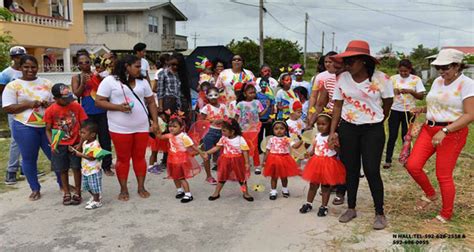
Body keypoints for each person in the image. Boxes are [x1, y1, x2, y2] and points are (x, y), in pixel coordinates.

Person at [329, 40, 394, 230]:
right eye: (345, 61)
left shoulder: (382, 79)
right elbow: (338, 106)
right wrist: (333, 132)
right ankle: (351, 207)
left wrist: (380, 118)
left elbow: (388, 102)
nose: (347, 65)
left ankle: (379, 213)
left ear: (364, 61)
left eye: (351, 61)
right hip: (348, 128)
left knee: (372, 170)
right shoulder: (342, 78)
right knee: (351, 169)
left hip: (372, 129)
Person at [406, 48, 474, 224]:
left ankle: (446, 214)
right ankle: (430, 194)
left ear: (457, 65)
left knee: (443, 175)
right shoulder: (438, 81)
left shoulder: (467, 84)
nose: (442, 72)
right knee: (412, 165)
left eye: (446, 68)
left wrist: (445, 131)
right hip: (429, 130)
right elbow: (440, 104)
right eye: (439, 68)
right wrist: (423, 109)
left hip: (452, 132)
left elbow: (469, 114)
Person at [95, 55, 159, 201]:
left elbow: (151, 102)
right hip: (119, 128)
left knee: (140, 158)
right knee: (123, 159)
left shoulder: (142, 82)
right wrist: (118, 107)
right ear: (126, 66)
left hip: (142, 127)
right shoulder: (109, 81)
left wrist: (154, 122)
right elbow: (99, 102)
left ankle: (141, 187)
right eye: (137, 66)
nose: (140, 69)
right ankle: (123, 189)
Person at [2, 55, 61, 200]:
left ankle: (63, 183)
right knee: (29, 159)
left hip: (47, 126)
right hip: (24, 127)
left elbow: (58, 102)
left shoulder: (47, 83)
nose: (30, 70)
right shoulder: (13, 85)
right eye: (26, 67)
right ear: (21, 68)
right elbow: (8, 108)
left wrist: (51, 105)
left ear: (38, 67)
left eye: (33, 67)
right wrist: (28, 104)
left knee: (57, 156)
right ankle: (35, 188)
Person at [71, 51, 114, 176]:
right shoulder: (76, 77)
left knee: (105, 139)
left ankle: (106, 165)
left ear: (91, 63)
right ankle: (90, 164)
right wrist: (83, 83)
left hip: (102, 112)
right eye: (81, 63)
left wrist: (99, 76)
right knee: (88, 140)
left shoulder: (99, 75)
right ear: (78, 65)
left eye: (87, 62)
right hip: (87, 113)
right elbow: (76, 94)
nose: (84, 65)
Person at [44, 84, 88, 205]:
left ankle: (78, 192)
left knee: (76, 168)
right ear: (55, 98)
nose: (68, 101)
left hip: (75, 143)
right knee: (62, 169)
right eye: (64, 99)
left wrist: (81, 142)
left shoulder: (76, 106)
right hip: (59, 144)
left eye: (69, 97)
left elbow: (84, 126)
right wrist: (53, 144)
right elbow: (47, 129)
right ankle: (66, 192)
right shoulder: (50, 110)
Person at [300, 113, 346, 216]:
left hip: (328, 164)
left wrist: (334, 146)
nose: (320, 126)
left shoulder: (333, 136)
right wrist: (309, 154)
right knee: (313, 185)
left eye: (323, 124)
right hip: (316, 163)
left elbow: (339, 151)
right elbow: (315, 148)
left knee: (325, 187)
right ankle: (309, 203)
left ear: (330, 125)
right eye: (318, 124)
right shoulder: (317, 136)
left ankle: (324, 206)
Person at [383, 59, 426, 169]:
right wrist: (394, 91)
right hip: (395, 110)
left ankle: (406, 159)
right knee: (392, 136)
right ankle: (388, 160)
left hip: (409, 112)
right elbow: (385, 93)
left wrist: (411, 91)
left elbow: (421, 96)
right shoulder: (393, 79)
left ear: (410, 70)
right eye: (401, 71)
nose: (403, 73)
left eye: (405, 71)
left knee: (406, 136)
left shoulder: (416, 79)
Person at [156, 115, 206, 203]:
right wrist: (157, 129)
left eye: (175, 126)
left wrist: (202, 153)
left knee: (181, 177)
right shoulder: (170, 135)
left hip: (181, 160)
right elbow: (160, 137)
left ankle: (188, 195)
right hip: (171, 160)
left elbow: (193, 146)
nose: (171, 128)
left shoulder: (184, 137)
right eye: (170, 126)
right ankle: (180, 190)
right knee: (174, 176)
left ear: (181, 127)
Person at [206, 118, 254, 202]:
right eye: (222, 130)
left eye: (224, 131)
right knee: (222, 178)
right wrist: (207, 152)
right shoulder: (223, 138)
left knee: (241, 179)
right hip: (225, 161)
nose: (222, 133)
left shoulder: (240, 139)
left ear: (232, 131)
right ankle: (216, 192)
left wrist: (247, 163)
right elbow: (217, 147)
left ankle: (245, 193)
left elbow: (245, 151)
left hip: (238, 161)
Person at [1, 46, 26, 185]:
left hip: (28, 110)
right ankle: (11, 171)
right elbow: (3, 93)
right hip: (14, 110)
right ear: (12, 58)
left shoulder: (27, 69)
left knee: (28, 138)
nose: (19, 58)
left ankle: (24, 168)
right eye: (16, 56)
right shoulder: (6, 74)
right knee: (16, 140)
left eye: (21, 55)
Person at [235, 83, 270, 175]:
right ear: (245, 93)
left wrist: (267, 107)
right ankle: (244, 164)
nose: (252, 94)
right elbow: (236, 116)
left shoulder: (257, 103)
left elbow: (260, 114)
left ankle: (257, 165)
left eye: (254, 93)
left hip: (254, 129)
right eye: (250, 93)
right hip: (243, 129)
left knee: (254, 148)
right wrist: (234, 127)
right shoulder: (240, 104)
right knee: (243, 147)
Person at [262, 121, 301, 200]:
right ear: (273, 130)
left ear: (285, 130)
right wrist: (264, 160)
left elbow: (295, 146)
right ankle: (273, 191)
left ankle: (285, 189)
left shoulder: (287, 139)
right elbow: (267, 150)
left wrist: (302, 140)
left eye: (281, 128)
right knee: (274, 176)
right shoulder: (271, 139)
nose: (279, 130)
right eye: (276, 129)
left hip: (284, 159)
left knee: (284, 176)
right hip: (273, 159)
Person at [69, 122, 104, 210]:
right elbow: (84, 151)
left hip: (93, 170)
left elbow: (92, 158)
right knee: (87, 186)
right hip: (86, 169)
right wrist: (75, 149)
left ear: (92, 134)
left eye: (83, 133)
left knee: (94, 186)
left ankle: (97, 201)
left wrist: (79, 154)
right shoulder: (85, 142)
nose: (81, 135)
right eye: (80, 132)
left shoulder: (95, 145)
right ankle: (95, 197)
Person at [200, 87, 228, 184]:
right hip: (209, 133)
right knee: (207, 154)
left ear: (219, 95)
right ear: (207, 96)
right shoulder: (206, 107)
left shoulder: (223, 107)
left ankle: (222, 174)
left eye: (215, 94)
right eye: (210, 95)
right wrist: (210, 121)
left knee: (221, 154)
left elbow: (227, 118)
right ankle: (208, 176)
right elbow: (201, 121)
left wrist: (223, 120)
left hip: (221, 132)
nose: (213, 97)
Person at [308, 51, 338, 125]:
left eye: (330, 62)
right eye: (326, 62)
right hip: (324, 114)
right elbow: (314, 96)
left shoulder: (344, 78)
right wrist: (310, 113)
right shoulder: (320, 77)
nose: (327, 64)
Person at [256, 77, 276, 154]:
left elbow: (272, 107)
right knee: (259, 135)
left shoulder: (270, 95)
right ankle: (259, 150)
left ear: (268, 85)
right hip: (259, 118)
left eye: (265, 84)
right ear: (259, 85)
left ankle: (268, 149)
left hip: (268, 118)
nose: (263, 86)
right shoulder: (257, 95)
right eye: (262, 84)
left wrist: (271, 117)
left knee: (269, 135)